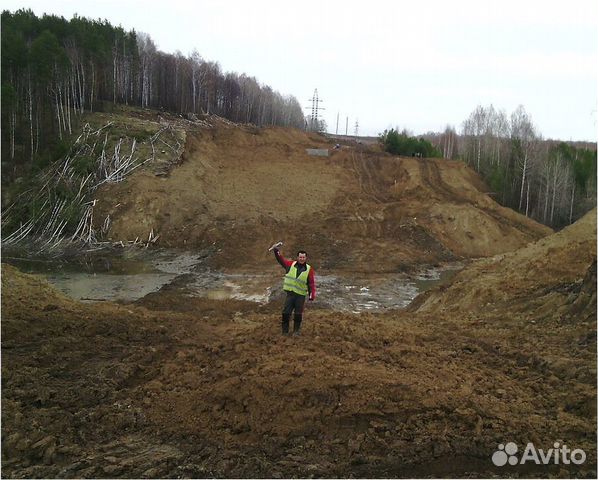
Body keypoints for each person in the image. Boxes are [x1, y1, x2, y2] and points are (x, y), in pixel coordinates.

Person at [272, 246, 316, 336]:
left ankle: (296, 331)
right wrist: (276, 252)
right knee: (286, 313)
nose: (302, 259)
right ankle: (285, 332)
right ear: (297, 257)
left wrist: (312, 294)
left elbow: (311, 283)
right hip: (290, 294)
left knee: (298, 314)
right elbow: (281, 260)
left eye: (303, 257)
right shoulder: (290, 265)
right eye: (300, 257)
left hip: (300, 296)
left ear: (306, 258)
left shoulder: (309, 269)